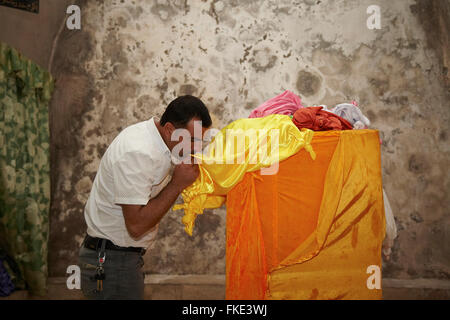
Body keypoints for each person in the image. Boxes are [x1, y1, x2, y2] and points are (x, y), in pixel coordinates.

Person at [77, 95, 212, 300]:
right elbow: (137, 226)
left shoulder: (158, 142)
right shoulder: (138, 152)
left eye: (200, 140)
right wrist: (176, 184)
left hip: (120, 259)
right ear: (169, 130)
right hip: (112, 263)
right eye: (192, 140)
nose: (196, 148)